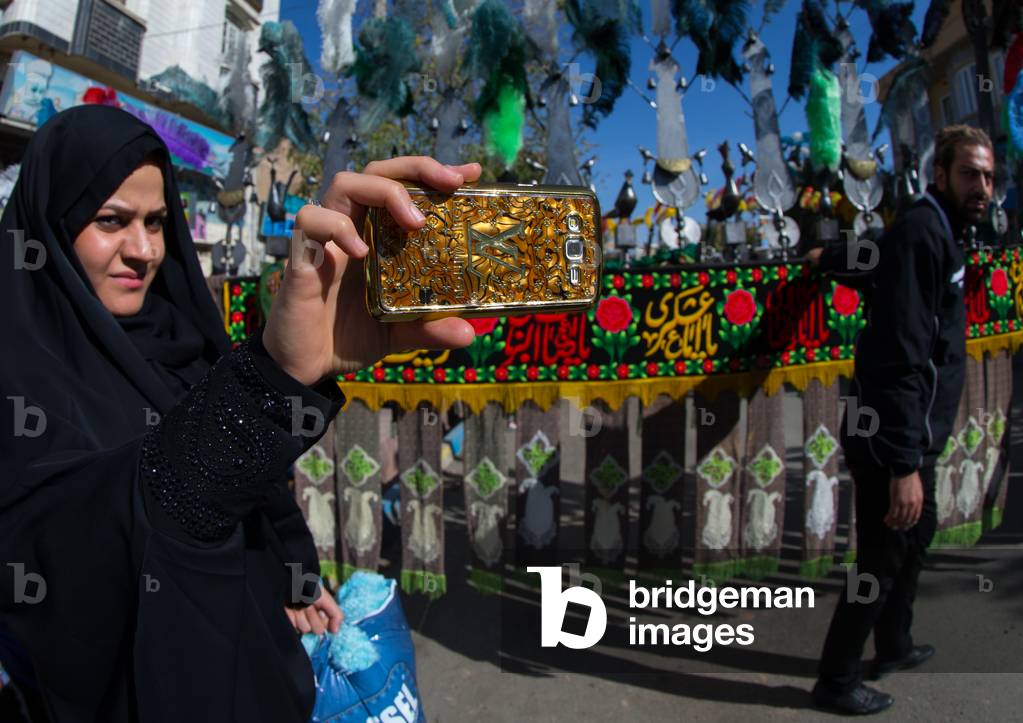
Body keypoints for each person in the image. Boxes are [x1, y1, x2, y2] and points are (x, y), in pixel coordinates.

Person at [0, 105, 480, 722]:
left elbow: (250, 496)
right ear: (51, 227)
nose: (143, 250)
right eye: (110, 221)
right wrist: (265, 385)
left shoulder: (184, 337)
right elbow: (75, 537)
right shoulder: (22, 375)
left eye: (157, 221)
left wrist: (293, 575)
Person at [807, 124, 995, 714]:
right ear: (940, 175)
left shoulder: (934, 227)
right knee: (881, 559)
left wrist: (826, 257)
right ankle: (836, 681)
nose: (983, 187)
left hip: (917, 435)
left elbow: (872, 256)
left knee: (916, 537)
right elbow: (903, 354)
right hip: (891, 435)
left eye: (990, 176)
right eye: (970, 174)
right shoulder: (923, 232)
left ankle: (892, 643)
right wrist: (904, 463)